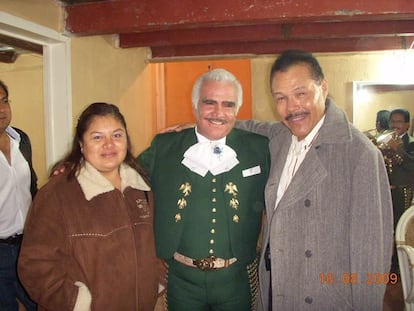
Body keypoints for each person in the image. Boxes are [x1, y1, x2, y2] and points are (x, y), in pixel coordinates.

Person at [236, 50, 393, 310]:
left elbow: (370, 257)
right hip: (276, 289)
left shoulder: (359, 153)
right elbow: (248, 127)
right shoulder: (280, 137)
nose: (292, 108)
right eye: (281, 98)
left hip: (324, 297)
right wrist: (200, 126)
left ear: (323, 87)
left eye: (301, 94)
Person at [138, 68, 270, 311]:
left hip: (235, 280)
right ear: (195, 104)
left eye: (228, 105)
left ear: (237, 110)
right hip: (180, 280)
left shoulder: (259, 148)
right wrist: (75, 164)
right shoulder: (164, 146)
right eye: (209, 103)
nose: (219, 112)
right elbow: (123, 175)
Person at [17, 103, 165, 311]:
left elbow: (154, 246)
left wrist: (156, 283)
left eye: (117, 135)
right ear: (81, 144)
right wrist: (79, 303)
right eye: (97, 137)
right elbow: (35, 266)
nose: (109, 144)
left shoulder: (141, 188)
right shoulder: (56, 195)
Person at [0, 80, 37, 311]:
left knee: (41, 303)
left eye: (4, 101)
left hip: (29, 245)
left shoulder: (21, 140)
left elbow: (31, 189)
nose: (2, 109)